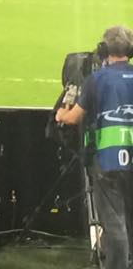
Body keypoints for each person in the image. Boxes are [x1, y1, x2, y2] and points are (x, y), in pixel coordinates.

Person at [56, 26, 133, 269]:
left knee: (115, 224)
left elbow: (74, 118)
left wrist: (61, 114)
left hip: (108, 161)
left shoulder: (97, 80)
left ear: (103, 50)